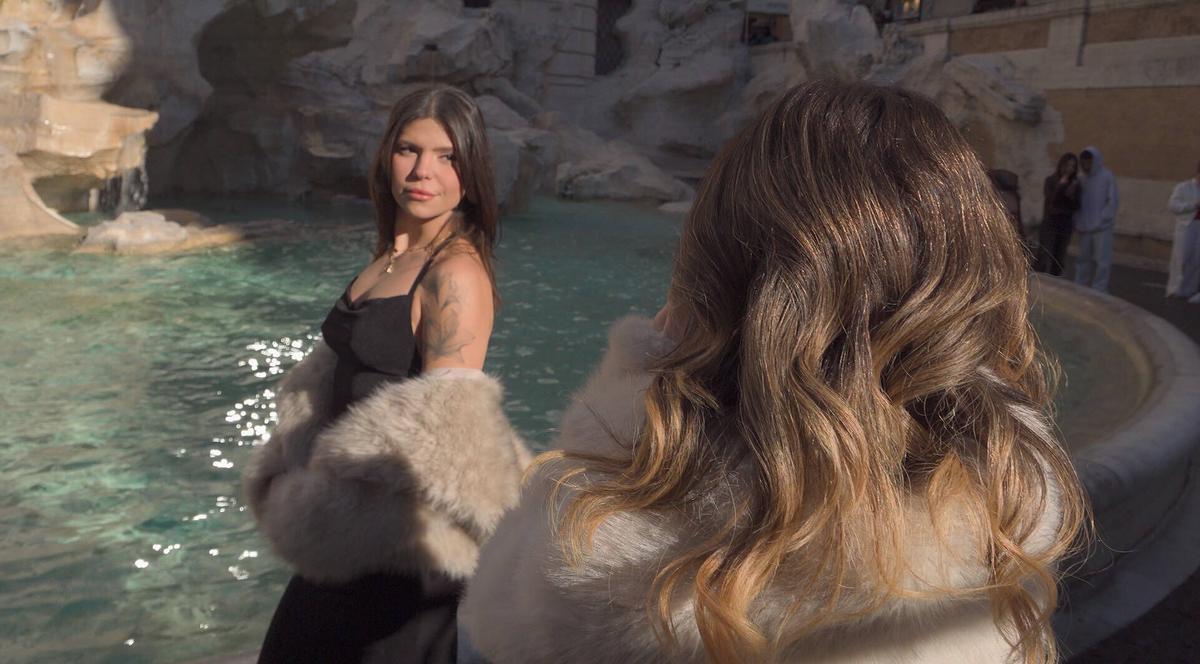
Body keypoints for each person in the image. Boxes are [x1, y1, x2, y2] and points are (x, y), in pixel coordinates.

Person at [460, 81, 1088, 663]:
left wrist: (627, 387)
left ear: (719, 270)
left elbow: (494, 617)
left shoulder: (609, 557)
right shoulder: (1007, 501)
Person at [244, 85, 530, 664]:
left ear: (470, 174)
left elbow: (446, 441)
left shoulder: (455, 274)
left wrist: (326, 510)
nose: (424, 171)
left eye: (447, 156)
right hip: (350, 541)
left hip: (400, 557)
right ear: (385, 158)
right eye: (408, 150)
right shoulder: (392, 256)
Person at [1073, 146, 1119, 291]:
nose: (1086, 165)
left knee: (1102, 260)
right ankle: (1080, 285)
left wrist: (1104, 218)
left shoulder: (1107, 176)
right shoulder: (1081, 179)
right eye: (1083, 162)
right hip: (1084, 225)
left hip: (1102, 227)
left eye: (1088, 162)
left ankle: (1099, 288)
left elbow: (1113, 200)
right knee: (1082, 258)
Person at [1035, 153, 1081, 276]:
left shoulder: (1075, 184)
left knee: (1059, 258)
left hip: (1065, 224)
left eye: (1073, 166)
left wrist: (1071, 194)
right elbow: (1051, 200)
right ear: (1061, 165)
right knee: (1045, 255)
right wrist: (1061, 186)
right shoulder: (1050, 181)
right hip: (1050, 222)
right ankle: (1039, 282)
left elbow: (1076, 205)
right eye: (1067, 165)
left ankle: (1055, 284)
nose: (1069, 169)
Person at [1166, 160, 1200, 303]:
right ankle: (1176, 289)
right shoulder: (1184, 187)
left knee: (1196, 260)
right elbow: (1173, 205)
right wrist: (1193, 205)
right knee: (1182, 258)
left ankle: (1190, 289)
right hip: (1186, 227)